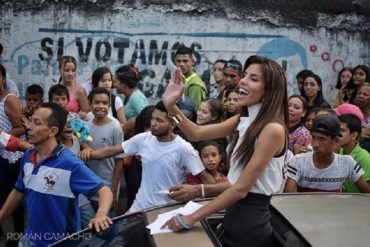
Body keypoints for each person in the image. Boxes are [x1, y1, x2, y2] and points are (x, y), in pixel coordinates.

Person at [161, 55, 288, 246]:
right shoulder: (244, 120)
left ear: (269, 90)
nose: (243, 81)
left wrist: (191, 217)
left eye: (254, 79)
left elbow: (240, 189)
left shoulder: (272, 129)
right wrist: (171, 106)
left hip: (251, 224)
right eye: (245, 75)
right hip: (234, 216)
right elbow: (196, 133)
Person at [0, 102, 113, 247]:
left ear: (52, 131)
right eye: (30, 121)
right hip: (30, 240)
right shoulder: (28, 156)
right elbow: (18, 192)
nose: (29, 127)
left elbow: (104, 191)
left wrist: (101, 214)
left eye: (37, 123)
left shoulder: (69, 163)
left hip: (61, 243)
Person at [80, 101, 215, 213]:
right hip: (139, 208)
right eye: (153, 118)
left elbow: (209, 182)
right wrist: (86, 152)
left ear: (173, 125)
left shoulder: (184, 148)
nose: (153, 123)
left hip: (166, 211)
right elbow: (111, 151)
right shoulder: (143, 139)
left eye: (159, 120)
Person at [284, 114, 370, 193]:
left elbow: (367, 194)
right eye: (314, 137)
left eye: (322, 139)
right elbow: (287, 197)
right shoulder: (298, 161)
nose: (315, 144)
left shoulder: (347, 162)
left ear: (335, 140)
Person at [79, 87, 124, 226]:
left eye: (104, 103)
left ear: (109, 106)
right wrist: (86, 148)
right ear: (90, 104)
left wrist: (114, 189)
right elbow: (82, 142)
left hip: (108, 186)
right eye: (97, 102)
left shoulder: (115, 127)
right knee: (89, 225)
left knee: (106, 225)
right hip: (89, 186)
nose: (100, 106)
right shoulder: (85, 126)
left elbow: (119, 160)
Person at [0, 64, 26, 245]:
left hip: (12, 156)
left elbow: (22, 127)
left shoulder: (10, 100)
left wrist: (1, 137)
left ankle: (17, 237)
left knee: (13, 198)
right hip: (1, 153)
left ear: (2, 78)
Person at [338, 114, 370, 193]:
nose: (337, 134)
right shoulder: (339, 152)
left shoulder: (364, 158)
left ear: (354, 135)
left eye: (342, 130)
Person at [354, 83, 370, 152]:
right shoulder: (349, 113)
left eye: (365, 94)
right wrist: (358, 137)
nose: (360, 96)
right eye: (359, 93)